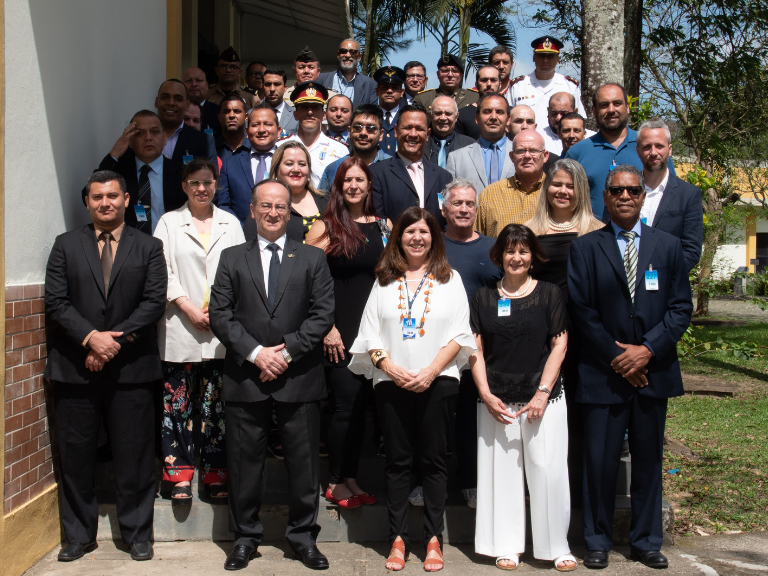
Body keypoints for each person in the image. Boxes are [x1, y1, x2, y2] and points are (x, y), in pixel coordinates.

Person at [567, 165, 692, 570]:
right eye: (617, 191)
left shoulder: (668, 246)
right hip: (603, 373)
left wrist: (647, 350)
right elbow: (582, 311)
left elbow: (680, 308)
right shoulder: (586, 248)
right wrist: (620, 358)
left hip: (653, 372)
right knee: (599, 462)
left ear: (642, 196)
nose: (625, 197)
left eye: (633, 191)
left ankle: (646, 541)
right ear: (605, 197)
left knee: (648, 461)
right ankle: (597, 540)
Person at [209, 178, 335, 571]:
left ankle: (303, 538)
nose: (273, 212)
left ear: (290, 213)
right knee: (244, 465)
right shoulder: (231, 258)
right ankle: (245, 538)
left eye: (281, 206)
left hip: (299, 377)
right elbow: (220, 315)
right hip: (246, 377)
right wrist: (257, 354)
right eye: (265, 205)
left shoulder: (312, 258)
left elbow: (322, 314)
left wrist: (287, 352)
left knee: (304, 465)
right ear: (252, 210)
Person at [45, 170, 167, 562]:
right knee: (76, 456)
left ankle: (137, 534)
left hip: (131, 369)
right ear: (87, 202)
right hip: (75, 367)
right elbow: (57, 301)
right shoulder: (65, 245)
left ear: (126, 199)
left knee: (135, 455)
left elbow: (153, 302)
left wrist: (111, 342)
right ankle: (78, 536)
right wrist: (89, 338)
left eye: (112, 196)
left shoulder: (149, 247)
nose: (105, 203)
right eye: (97, 197)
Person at [348, 207, 476, 572]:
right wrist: (388, 367)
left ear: (434, 238)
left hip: (439, 381)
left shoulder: (450, 279)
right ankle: (398, 539)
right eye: (409, 232)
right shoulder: (384, 280)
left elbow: (460, 333)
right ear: (398, 238)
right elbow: (369, 334)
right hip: (392, 382)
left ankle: (433, 538)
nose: (417, 238)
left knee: (434, 461)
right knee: (398, 462)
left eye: (424, 232)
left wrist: (431, 371)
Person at [469, 224, 575, 572]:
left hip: (543, 398)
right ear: (499, 255)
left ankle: (556, 546)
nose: (517, 257)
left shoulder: (549, 293)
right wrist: (485, 394)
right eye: (510, 251)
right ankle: (505, 544)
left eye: (523, 251)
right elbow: (475, 348)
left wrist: (543, 392)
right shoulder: (483, 297)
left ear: (533, 256)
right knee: (502, 473)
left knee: (548, 470)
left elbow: (559, 344)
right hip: (497, 400)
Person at [153, 158, 245, 502]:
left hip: (221, 329)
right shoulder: (169, 222)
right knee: (177, 404)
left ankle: (215, 474)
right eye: (195, 183)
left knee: (215, 407)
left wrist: (219, 311)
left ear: (216, 185)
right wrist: (187, 306)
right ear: (184, 186)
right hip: (181, 324)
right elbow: (160, 270)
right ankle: (178, 475)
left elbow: (241, 268)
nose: (202, 189)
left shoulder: (230, 223)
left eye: (208, 182)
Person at [306, 158, 392, 508]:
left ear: (369, 185)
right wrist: (327, 327)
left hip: (376, 332)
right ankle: (335, 482)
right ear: (338, 187)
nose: (354, 186)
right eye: (347, 180)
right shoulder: (325, 226)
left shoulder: (385, 226)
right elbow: (308, 281)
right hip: (339, 332)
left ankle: (351, 477)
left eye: (360, 180)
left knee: (362, 408)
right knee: (345, 407)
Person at [524, 159, 603, 506]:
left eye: (570, 186)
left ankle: (579, 494)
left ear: (581, 190)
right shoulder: (530, 231)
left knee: (580, 415)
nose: (562, 191)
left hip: (586, 337)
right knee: (545, 413)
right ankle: (542, 491)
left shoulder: (598, 232)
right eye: (557, 184)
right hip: (542, 337)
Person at [440, 179, 502, 509]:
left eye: (469, 204)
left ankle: (470, 481)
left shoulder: (494, 249)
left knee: (470, 418)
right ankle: (427, 482)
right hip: (436, 348)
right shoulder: (431, 245)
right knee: (435, 419)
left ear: (477, 210)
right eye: (457, 203)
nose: (464, 209)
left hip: (481, 351)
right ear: (444, 209)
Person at [564, 83, 676, 217]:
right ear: (594, 111)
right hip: (592, 230)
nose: (611, 110)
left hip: (646, 229)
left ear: (627, 107)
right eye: (604, 105)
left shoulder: (650, 148)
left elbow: (672, 195)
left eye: (617, 103)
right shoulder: (577, 153)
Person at [97, 110, 185, 232]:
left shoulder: (182, 173)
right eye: (140, 133)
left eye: (154, 132)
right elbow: (91, 197)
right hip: (128, 242)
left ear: (164, 138)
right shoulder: (120, 172)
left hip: (170, 241)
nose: (148, 138)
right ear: (130, 141)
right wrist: (114, 154)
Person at [635, 118, 703, 272]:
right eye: (647, 147)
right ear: (638, 151)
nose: (653, 152)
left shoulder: (689, 195)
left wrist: (663, 277)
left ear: (670, 149)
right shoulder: (623, 191)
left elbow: (691, 251)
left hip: (668, 283)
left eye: (659, 146)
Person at [370, 104, 452, 227]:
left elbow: (447, 222)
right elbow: (377, 220)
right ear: (396, 131)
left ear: (428, 134)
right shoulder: (377, 173)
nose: (413, 134)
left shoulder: (443, 177)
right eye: (407, 128)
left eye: (419, 129)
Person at [244, 140, 329, 242]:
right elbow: (251, 243)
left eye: (302, 164)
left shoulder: (328, 200)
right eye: (289, 164)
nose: (296, 169)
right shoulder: (263, 204)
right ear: (276, 169)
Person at [475, 129, 549, 237]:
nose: (527, 156)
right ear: (511, 156)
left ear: (545, 156)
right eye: (521, 151)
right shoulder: (490, 195)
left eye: (533, 150)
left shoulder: (556, 193)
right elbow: (477, 239)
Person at [215, 104, 280, 224]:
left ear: (278, 131)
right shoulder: (230, 165)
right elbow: (224, 205)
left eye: (268, 124)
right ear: (247, 132)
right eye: (255, 125)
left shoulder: (289, 162)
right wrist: (240, 230)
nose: (261, 130)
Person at [508, 36, 586, 129]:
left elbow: (580, 120)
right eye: (541, 55)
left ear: (557, 59)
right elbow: (507, 118)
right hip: (526, 137)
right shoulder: (518, 86)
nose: (545, 60)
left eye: (550, 56)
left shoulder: (570, 86)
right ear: (534, 58)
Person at [284, 81, 349, 188]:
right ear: (295, 114)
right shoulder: (281, 146)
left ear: (324, 115)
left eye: (315, 107)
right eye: (304, 107)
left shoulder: (340, 150)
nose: (310, 112)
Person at [447, 93, 515, 194]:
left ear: (508, 119)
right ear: (477, 118)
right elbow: (449, 198)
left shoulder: (523, 154)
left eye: (499, 112)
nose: (493, 117)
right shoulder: (457, 158)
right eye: (487, 112)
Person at [318, 104, 391, 191]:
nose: (363, 133)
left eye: (371, 128)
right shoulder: (334, 169)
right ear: (349, 131)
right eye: (357, 128)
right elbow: (322, 199)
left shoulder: (393, 168)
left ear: (381, 134)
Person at [155, 79, 216, 165]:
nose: (171, 103)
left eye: (178, 99)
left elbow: (211, 173)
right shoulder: (142, 136)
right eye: (165, 97)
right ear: (156, 102)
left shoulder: (204, 141)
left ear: (187, 105)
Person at [317, 39, 378, 107]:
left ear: (359, 57)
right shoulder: (320, 80)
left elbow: (373, 112)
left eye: (353, 52)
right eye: (343, 51)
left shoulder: (370, 85)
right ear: (338, 55)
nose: (348, 55)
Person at [415, 53, 480, 112]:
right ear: (438, 74)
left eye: (455, 71)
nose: (450, 75)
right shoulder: (423, 98)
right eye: (445, 71)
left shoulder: (475, 97)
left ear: (461, 75)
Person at [422, 96, 475, 168]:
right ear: (431, 116)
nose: (443, 118)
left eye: (448, 113)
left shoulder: (470, 145)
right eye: (438, 113)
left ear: (456, 116)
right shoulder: (420, 144)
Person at [455, 65, 501, 140]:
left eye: (493, 80)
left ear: (500, 84)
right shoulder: (462, 115)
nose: (489, 84)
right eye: (484, 80)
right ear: (476, 84)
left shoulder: (511, 113)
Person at [374, 65, 407, 155]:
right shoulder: (370, 116)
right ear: (377, 91)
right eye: (385, 87)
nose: (389, 91)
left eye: (394, 87)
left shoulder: (407, 117)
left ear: (402, 92)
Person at [182, 66, 221, 137]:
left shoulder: (219, 113)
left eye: (198, 80)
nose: (194, 84)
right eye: (189, 80)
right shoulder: (177, 112)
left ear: (207, 86)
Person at [262, 66, 298, 136]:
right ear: (262, 87)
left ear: (285, 88)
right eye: (268, 84)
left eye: (277, 84)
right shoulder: (251, 114)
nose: (272, 89)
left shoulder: (296, 116)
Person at [215, 94, 250, 162]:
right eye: (226, 112)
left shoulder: (254, 148)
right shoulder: (211, 149)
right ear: (219, 117)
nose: (231, 115)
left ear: (246, 117)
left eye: (237, 111)